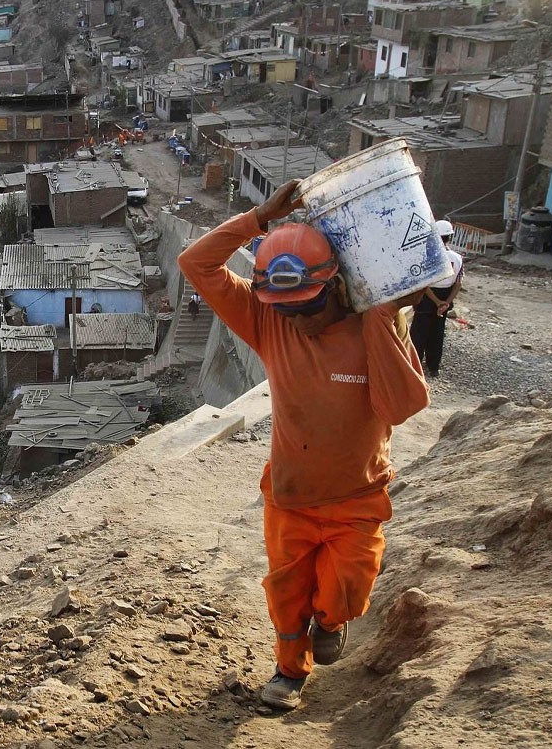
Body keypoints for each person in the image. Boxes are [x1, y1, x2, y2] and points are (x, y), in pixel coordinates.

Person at [178, 181, 430, 710]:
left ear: (335, 284)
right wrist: (256, 220)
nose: (299, 318)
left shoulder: (374, 325)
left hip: (355, 500)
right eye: (286, 308)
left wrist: (387, 317)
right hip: (290, 498)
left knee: (347, 588)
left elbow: (403, 406)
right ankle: (289, 673)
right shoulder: (269, 321)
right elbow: (195, 264)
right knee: (286, 599)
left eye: (308, 305)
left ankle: (332, 620)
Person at [409, 220, 463, 378]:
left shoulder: (427, 255)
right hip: (446, 297)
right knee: (437, 332)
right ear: (450, 237)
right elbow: (458, 283)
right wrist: (445, 302)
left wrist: (436, 301)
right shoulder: (457, 258)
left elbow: (424, 284)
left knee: (419, 332)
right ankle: (433, 367)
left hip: (427, 298)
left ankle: (415, 364)